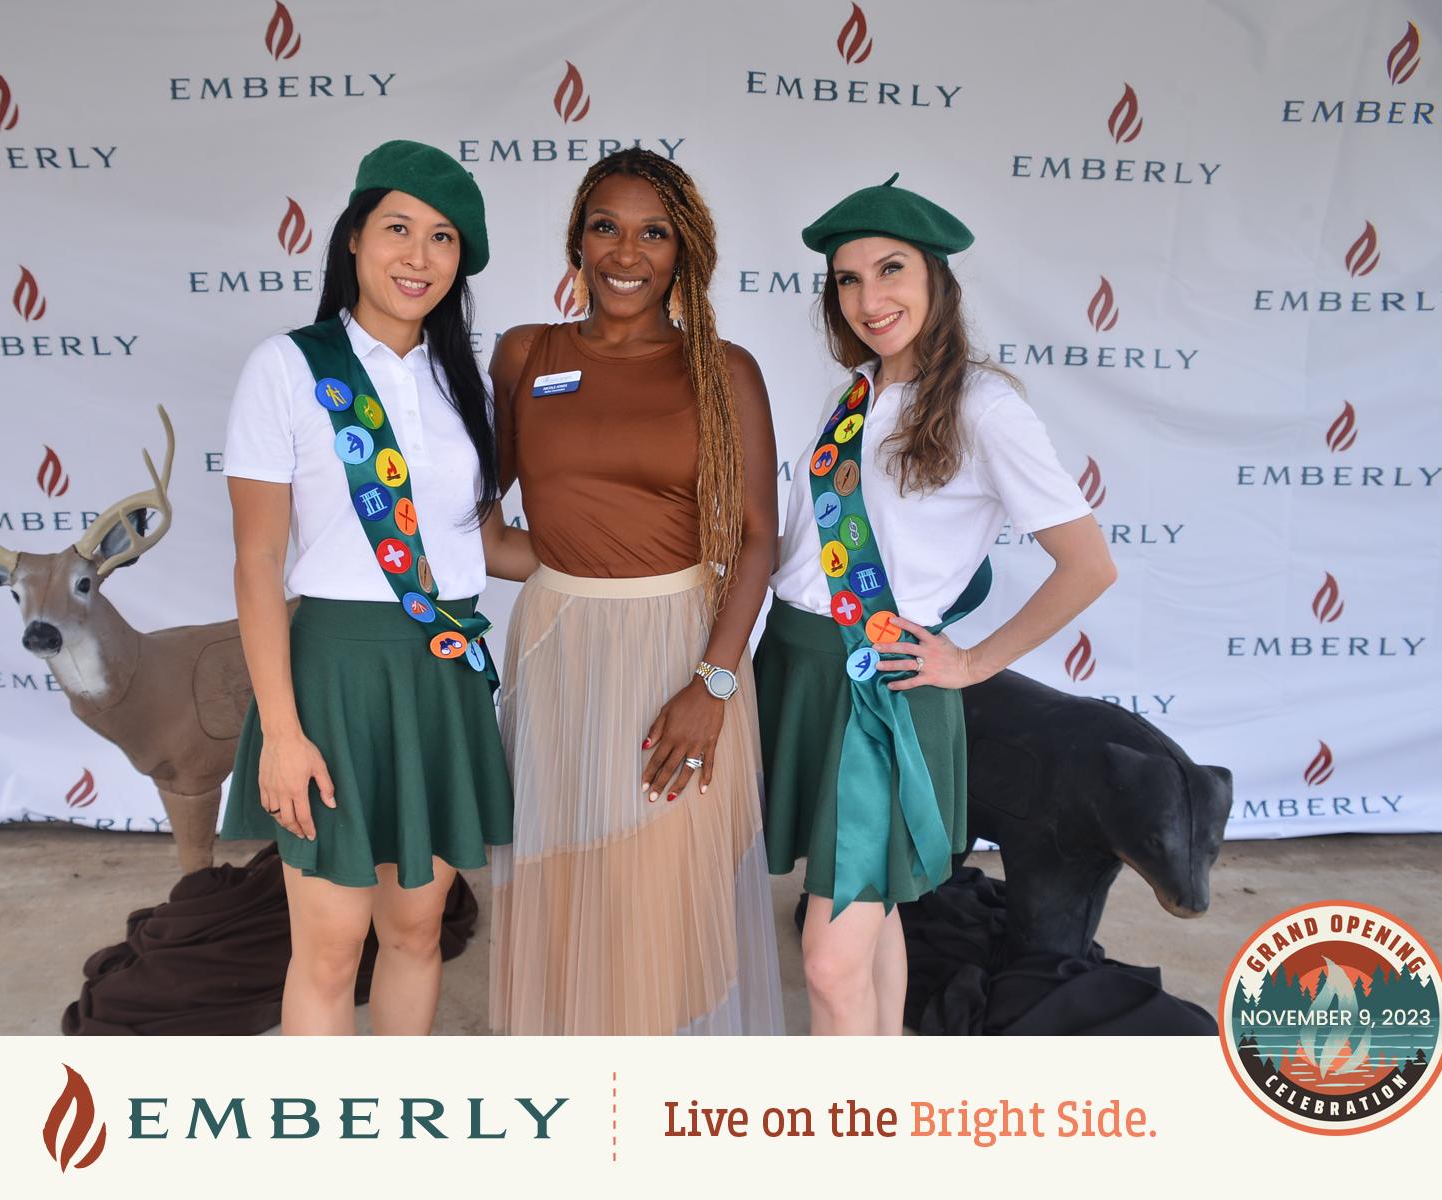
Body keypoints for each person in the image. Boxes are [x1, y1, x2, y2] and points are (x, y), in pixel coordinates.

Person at [756, 174, 1118, 1035]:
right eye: (848, 280)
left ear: (936, 283)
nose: (869, 298)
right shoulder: (856, 394)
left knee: (826, 957)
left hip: (879, 692)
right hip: (800, 670)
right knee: (871, 920)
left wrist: (970, 661)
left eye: (891, 271)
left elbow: (1088, 564)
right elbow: (807, 553)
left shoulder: (985, 407)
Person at [221, 140, 535, 1035]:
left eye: (442, 239)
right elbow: (255, 566)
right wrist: (282, 732)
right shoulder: (288, 366)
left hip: (441, 678)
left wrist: (635, 559)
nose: (418, 256)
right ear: (354, 239)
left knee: (417, 932)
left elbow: (489, 543)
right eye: (398, 229)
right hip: (335, 684)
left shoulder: (459, 382)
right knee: (326, 951)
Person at [486, 149, 784, 1035]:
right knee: (567, 892)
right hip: (558, 655)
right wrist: (571, 565)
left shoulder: (723, 369)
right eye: (605, 227)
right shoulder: (524, 355)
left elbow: (759, 541)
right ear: (576, 241)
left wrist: (715, 685)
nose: (627, 252)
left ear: (684, 251)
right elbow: (478, 520)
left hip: (681, 659)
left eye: (654, 232)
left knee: (662, 908)